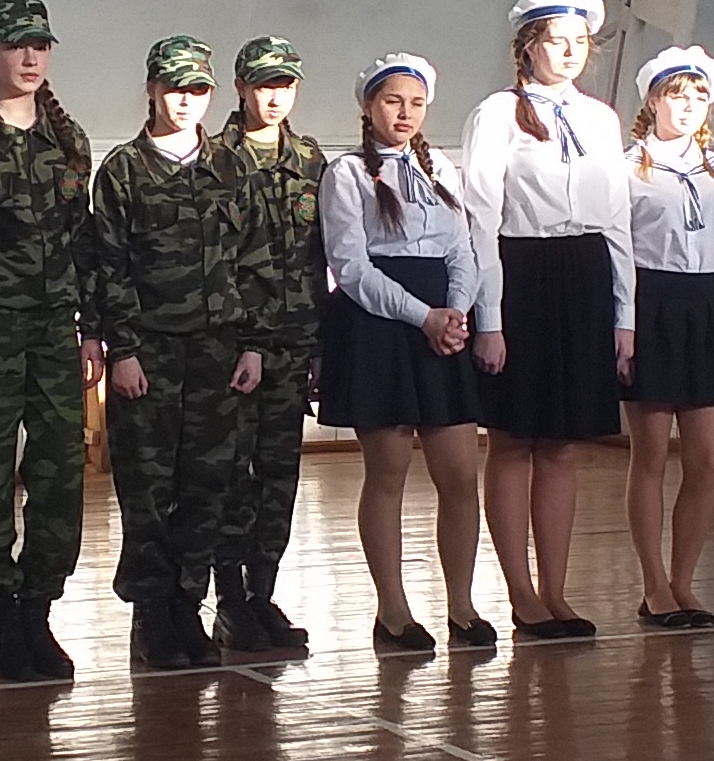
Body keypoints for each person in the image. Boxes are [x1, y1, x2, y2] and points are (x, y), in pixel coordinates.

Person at [454, 0, 632, 642]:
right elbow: (481, 217)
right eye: (556, 40)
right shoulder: (497, 113)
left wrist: (624, 312)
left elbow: (617, 219)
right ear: (527, 46)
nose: (569, 52)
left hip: (584, 272)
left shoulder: (601, 119)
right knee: (514, 438)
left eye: (580, 42)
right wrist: (490, 317)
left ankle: (556, 590)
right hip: (522, 271)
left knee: (562, 443)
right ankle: (521, 593)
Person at [0, 0, 97, 686]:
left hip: (55, 327)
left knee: (61, 470)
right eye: (15, 46)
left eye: (39, 45)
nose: (30, 58)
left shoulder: (69, 138)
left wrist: (92, 330)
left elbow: (83, 242)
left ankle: (38, 606)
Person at [92, 37, 262, 670]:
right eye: (174, 89)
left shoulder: (232, 168)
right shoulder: (124, 171)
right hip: (151, 356)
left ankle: (188, 606)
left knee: (208, 488)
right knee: (147, 491)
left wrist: (253, 344)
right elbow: (109, 267)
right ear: (152, 90)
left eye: (198, 90)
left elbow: (254, 262)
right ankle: (151, 616)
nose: (186, 101)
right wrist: (123, 349)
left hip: (218, 353)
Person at [315, 54, 493, 654]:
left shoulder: (440, 167)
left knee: (460, 475)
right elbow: (350, 266)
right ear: (369, 106)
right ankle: (392, 610)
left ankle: (462, 605)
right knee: (387, 474)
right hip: (381, 327)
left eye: (416, 103)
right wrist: (424, 316)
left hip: (442, 325)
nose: (405, 113)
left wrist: (456, 313)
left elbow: (462, 250)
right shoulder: (346, 173)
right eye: (393, 101)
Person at [616, 47, 714, 630]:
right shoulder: (627, 167)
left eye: (700, 95)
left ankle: (684, 581)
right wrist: (623, 323)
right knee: (650, 455)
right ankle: (653, 585)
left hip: (708, 307)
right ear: (652, 101)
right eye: (677, 94)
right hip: (652, 301)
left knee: (708, 459)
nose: (690, 105)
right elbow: (618, 253)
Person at [208, 36, 326, 656]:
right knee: (232, 474)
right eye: (264, 85)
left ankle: (262, 594)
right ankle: (229, 600)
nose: (275, 97)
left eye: (285, 85)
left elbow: (321, 255)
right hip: (232, 347)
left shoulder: (309, 160)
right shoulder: (214, 158)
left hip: (294, 340)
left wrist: (320, 346)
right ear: (241, 87)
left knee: (279, 475)